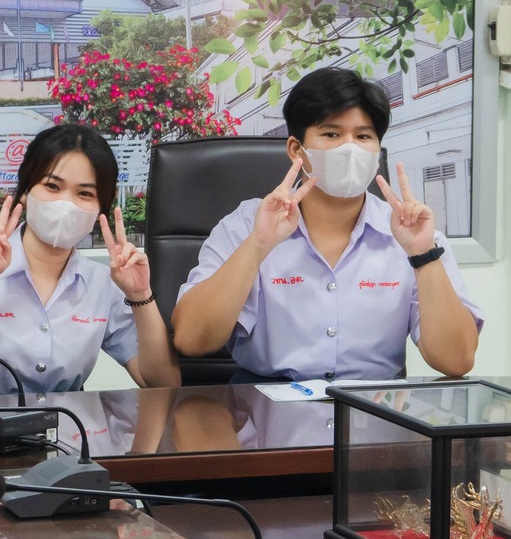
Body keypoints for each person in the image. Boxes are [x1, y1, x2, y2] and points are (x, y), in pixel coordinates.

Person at [171, 68, 482, 381]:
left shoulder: (415, 235)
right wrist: (257, 246)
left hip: (374, 415)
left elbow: (456, 361)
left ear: (377, 151)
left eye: (363, 136)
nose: (350, 148)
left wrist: (423, 256)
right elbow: (191, 340)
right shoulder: (246, 225)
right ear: (297, 150)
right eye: (332, 134)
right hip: (265, 410)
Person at [0, 124, 178, 395]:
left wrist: (141, 293)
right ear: (25, 190)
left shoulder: (104, 284)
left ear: (100, 210)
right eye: (52, 186)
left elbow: (163, 383)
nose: (65, 204)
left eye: (85, 193)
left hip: (68, 431)